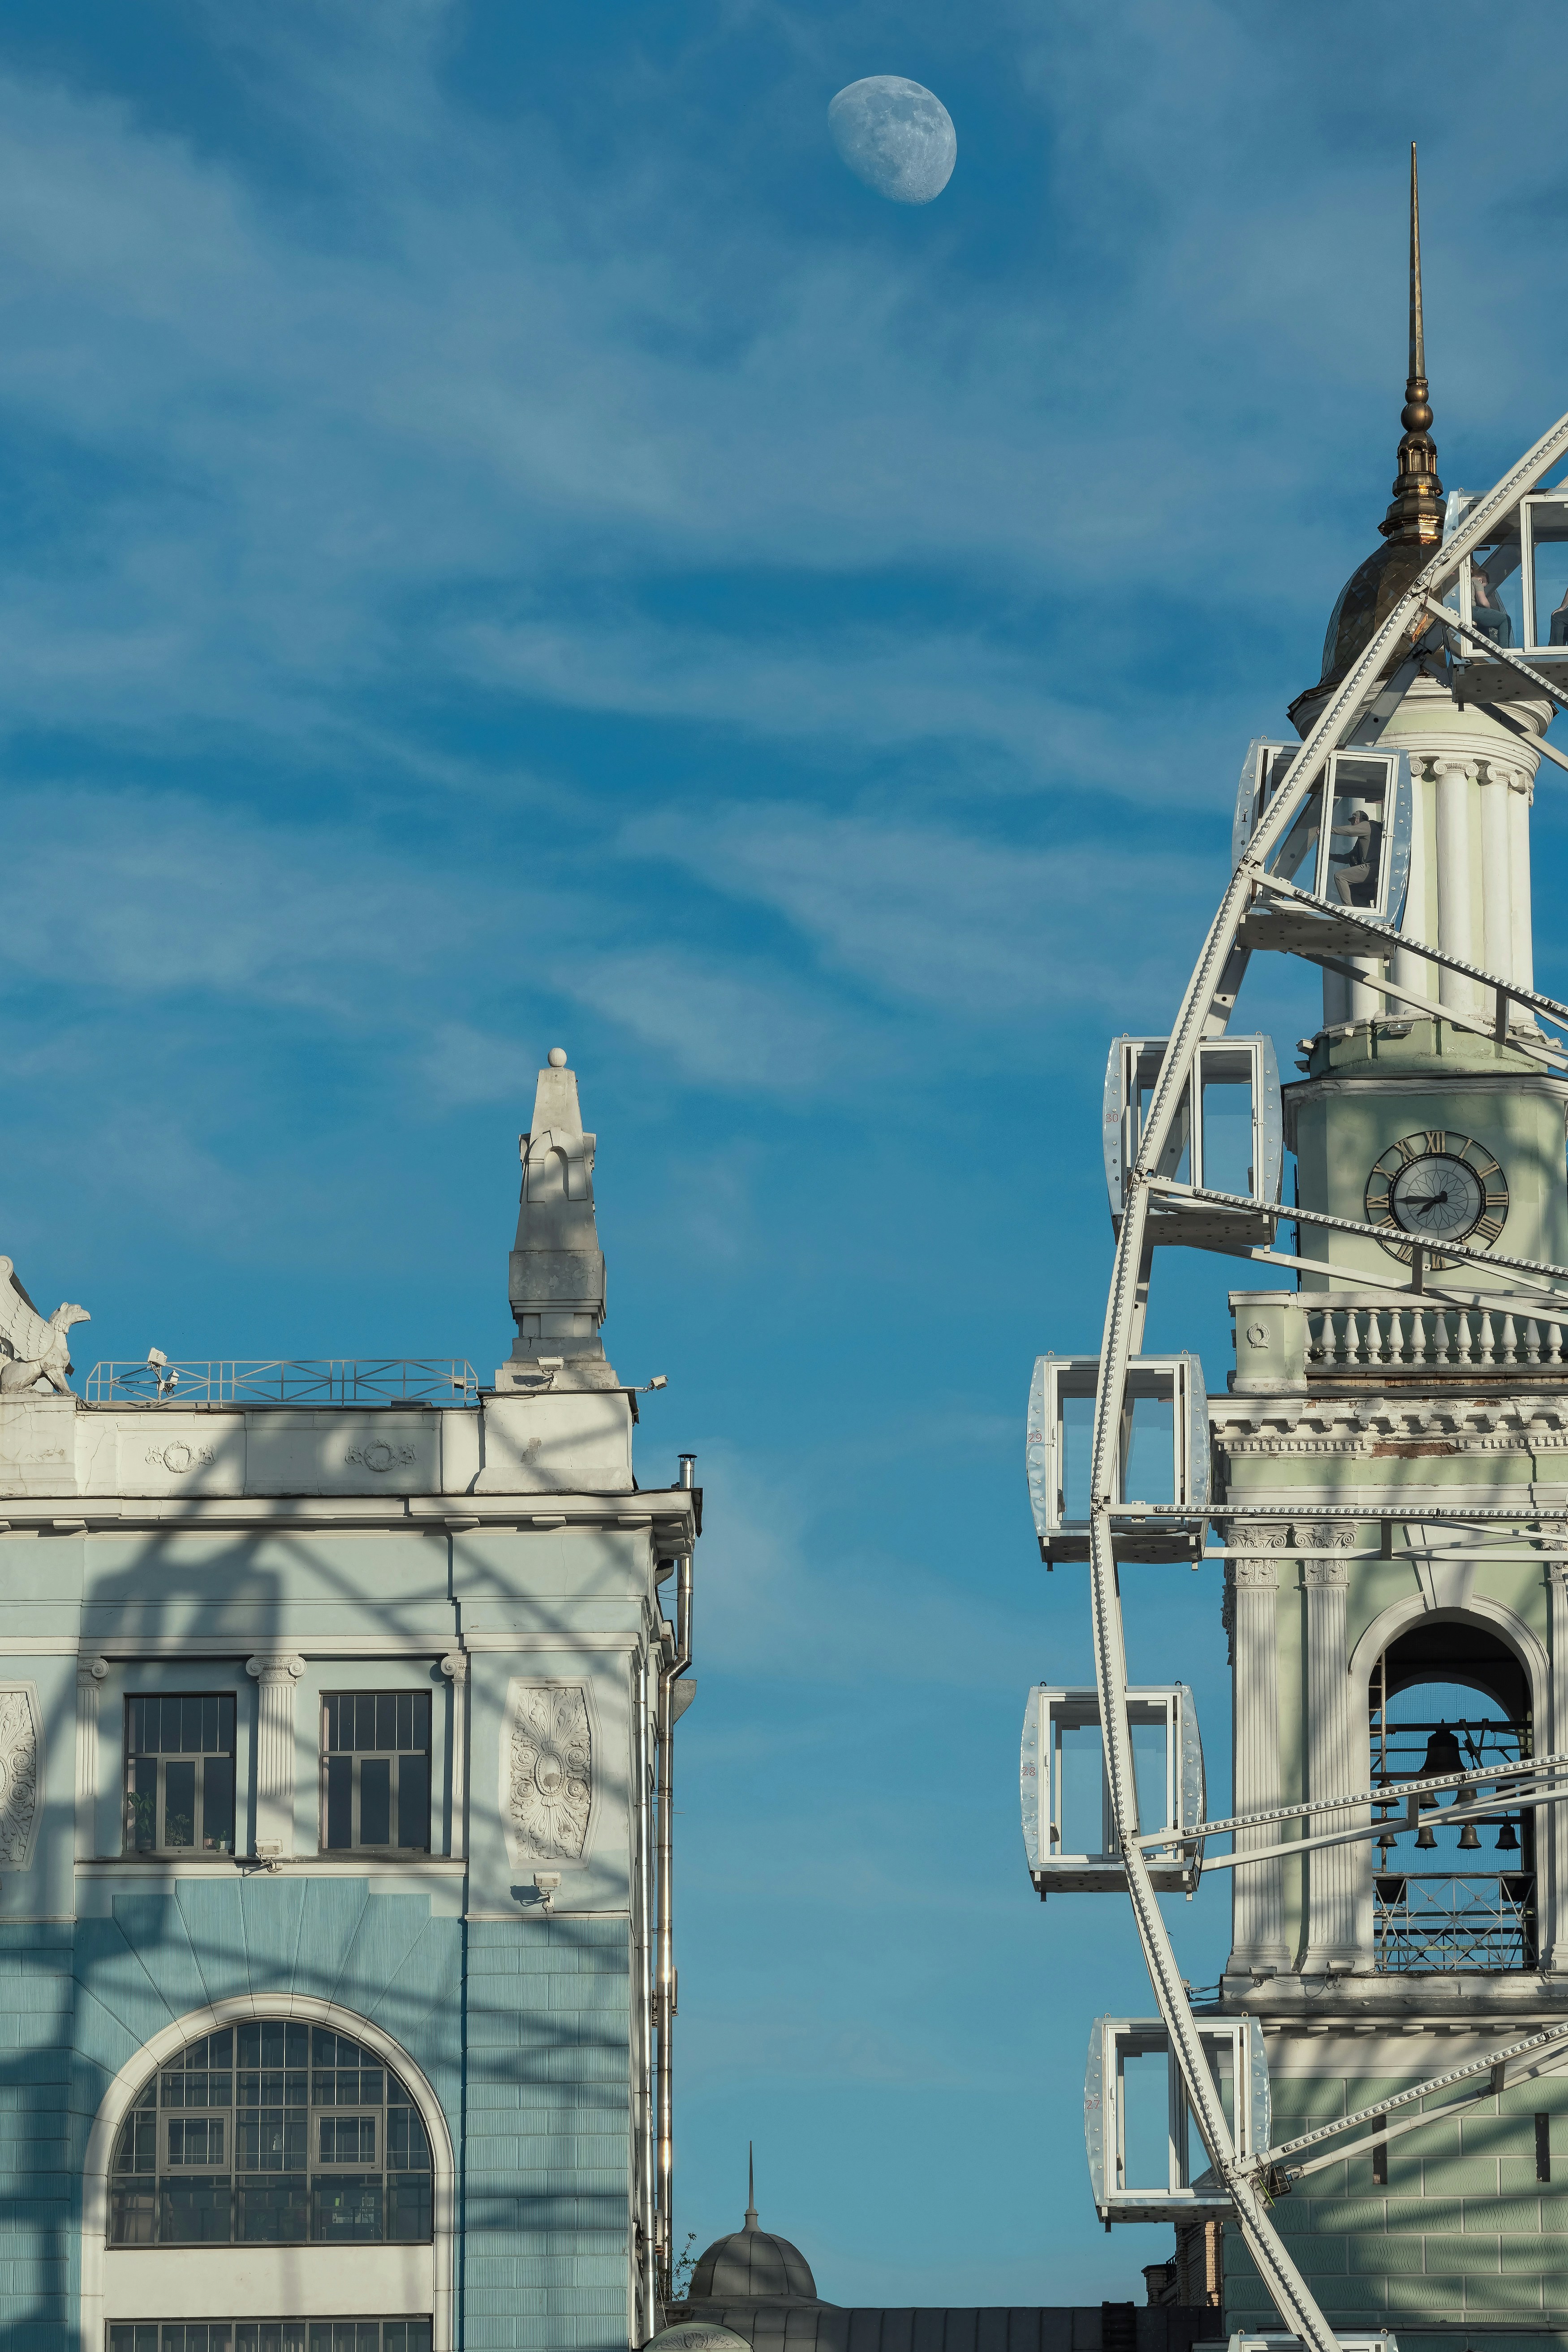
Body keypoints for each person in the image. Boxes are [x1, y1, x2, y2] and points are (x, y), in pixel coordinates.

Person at [1328, 806, 1383, 907]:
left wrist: (1329, 830)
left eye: (1353, 821)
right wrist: (1331, 857)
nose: (1352, 824)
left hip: (1372, 868)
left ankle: (1348, 909)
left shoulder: (1368, 826)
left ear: (1358, 820)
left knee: (1340, 877)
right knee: (1353, 891)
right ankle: (1365, 913)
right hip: (1373, 875)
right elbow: (1349, 858)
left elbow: (1350, 831)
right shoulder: (1362, 841)